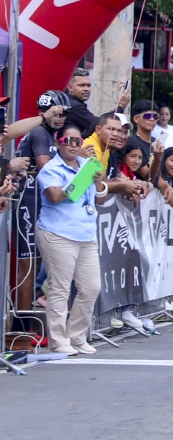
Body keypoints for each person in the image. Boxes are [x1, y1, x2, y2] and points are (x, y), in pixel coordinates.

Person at [36, 125, 108, 355]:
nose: (73, 145)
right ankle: (58, 340)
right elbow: (55, 196)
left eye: (78, 141)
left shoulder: (85, 167)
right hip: (58, 232)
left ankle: (77, 335)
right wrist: (82, 174)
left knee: (91, 287)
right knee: (60, 288)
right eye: (68, 140)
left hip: (86, 233)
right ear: (58, 143)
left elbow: (101, 198)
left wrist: (95, 177)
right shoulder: (51, 168)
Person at [12, 91, 69, 329]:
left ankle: (25, 321)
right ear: (43, 113)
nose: (60, 118)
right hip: (26, 198)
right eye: (55, 113)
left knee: (35, 262)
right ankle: (21, 325)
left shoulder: (50, 135)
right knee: (28, 262)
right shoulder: (38, 132)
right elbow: (46, 167)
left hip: (37, 200)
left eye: (63, 113)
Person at [65, 68, 130, 136]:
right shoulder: (74, 106)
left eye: (88, 85)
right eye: (81, 85)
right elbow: (102, 124)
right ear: (70, 87)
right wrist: (121, 105)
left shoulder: (71, 102)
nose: (86, 89)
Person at [126, 99, 164, 182]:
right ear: (136, 119)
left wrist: (166, 186)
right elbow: (147, 177)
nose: (152, 119)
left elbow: (159, 175)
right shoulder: (131, 142)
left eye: (155, 116)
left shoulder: (157, 142)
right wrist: (157, 159)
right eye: (147, 116)